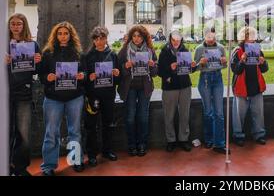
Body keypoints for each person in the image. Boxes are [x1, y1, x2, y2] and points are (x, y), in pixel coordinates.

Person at [39, 22, 86, 176]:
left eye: (66, 33)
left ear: (71, 35)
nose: (63, 36)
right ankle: (49, 166)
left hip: (75, 97)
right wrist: (48, 77)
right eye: (60, 33)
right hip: (53, 98)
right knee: (51, 132)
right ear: (56, 35)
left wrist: (82, 76)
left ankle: (76, 160)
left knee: (75, 131)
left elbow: (85, 72)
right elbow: (41, 76)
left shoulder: (78, 53)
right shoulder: (48, 53)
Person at [6, 14, 41, 176]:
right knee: (5, 132)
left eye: (19, 24)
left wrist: (38, 61)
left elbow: (37, 72)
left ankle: (20, 168)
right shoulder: (2, 44)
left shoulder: (33, 45)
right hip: (4, 93)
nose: (15, 26)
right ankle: (6, 166)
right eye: (12, 23)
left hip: (24, 93)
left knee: (23, 133)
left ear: (24, 25)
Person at [118, 25, 158, 157]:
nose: (136, 38)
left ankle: (142, 144)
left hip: (144, 88)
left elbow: (155, 73)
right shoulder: (124, 51)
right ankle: (131, 145)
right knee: (130, 117)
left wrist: (152, 66)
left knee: (143, 117)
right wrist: (125, 66)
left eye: (139, 36)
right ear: (131, 37)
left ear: (144, 37)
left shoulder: (150, 51)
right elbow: (118, 72)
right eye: (134, 36)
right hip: (129, 88)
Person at [84, 26, 120, 167]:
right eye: (97, 39)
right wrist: (89, 77)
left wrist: (117, 74)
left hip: (109, 95)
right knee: (91, 126)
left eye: (102, 38)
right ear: (93, 40)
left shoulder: (113, 55)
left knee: (108, 124)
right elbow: (83, 78)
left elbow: (118, 80)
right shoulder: (87, 56)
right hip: (93, 96)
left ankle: (107, 150)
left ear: (106, 39)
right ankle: (92, 154)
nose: (100, 41)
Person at [158, 30, 197, 152]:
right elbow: (159, 72)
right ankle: (171, 140)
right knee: (169, 115)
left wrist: (193, 66)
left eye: (178, 40)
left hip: (184, 86)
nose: (176, 42)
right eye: (173, 40)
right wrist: (170, 68)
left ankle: (183, 139)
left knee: (185, 114)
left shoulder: (185, 50)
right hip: (170, 88)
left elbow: (189, 71)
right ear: (170, 39)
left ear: (181, 40)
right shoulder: (164, 52)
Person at [231, 26, 268, 147]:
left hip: (256, 86)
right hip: (242, 87)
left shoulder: (257, 49)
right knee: (239, 115)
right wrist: (242, 61)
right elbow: (235, 70)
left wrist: (263, 62)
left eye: (254, 36)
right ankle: (238, 136)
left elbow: (264, 69)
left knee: (258, 113)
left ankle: (259, 134)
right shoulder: (237, 51)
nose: (253, 39)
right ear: (244, 38)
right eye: (250, 36)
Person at [194, 27, 228, 154]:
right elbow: (194, 68)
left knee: (219, 113)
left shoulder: (220, 47)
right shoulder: (199, 49)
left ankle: (219, 143)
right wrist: (200, 63)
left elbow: (224, 65)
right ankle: (209, 139)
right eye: (208, 37)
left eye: (212, 37)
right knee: (208, 112)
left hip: (217, 78)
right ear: (204, 36)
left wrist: (225, 62)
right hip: (205, 80)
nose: (210, 39)